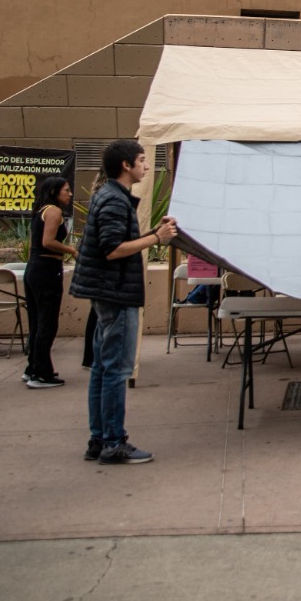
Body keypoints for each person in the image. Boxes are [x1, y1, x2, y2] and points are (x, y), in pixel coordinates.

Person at [70, 139, 177, 466]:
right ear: (126, 165)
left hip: (106, 293)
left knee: (103, 369)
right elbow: (113, 248)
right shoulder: (115, 201)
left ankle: (99, 439)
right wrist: (157, 239)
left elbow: (117, 241)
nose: (147, 166)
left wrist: (151, 233)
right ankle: (114, 442)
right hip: (116, 294)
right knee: (116, 370)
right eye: (142, 160)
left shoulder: (108, 196)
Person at [24, 176, 75, 389]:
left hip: (34, 268)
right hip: (47, 270)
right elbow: (48, 242)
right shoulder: (53, 211)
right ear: (54, 192)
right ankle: (42, 374)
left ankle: (33, 367)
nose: (70, 194)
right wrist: (72, 250)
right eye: (66, 190)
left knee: (36, 321)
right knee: (47, 322)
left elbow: (35, 244)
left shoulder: (40, 211)